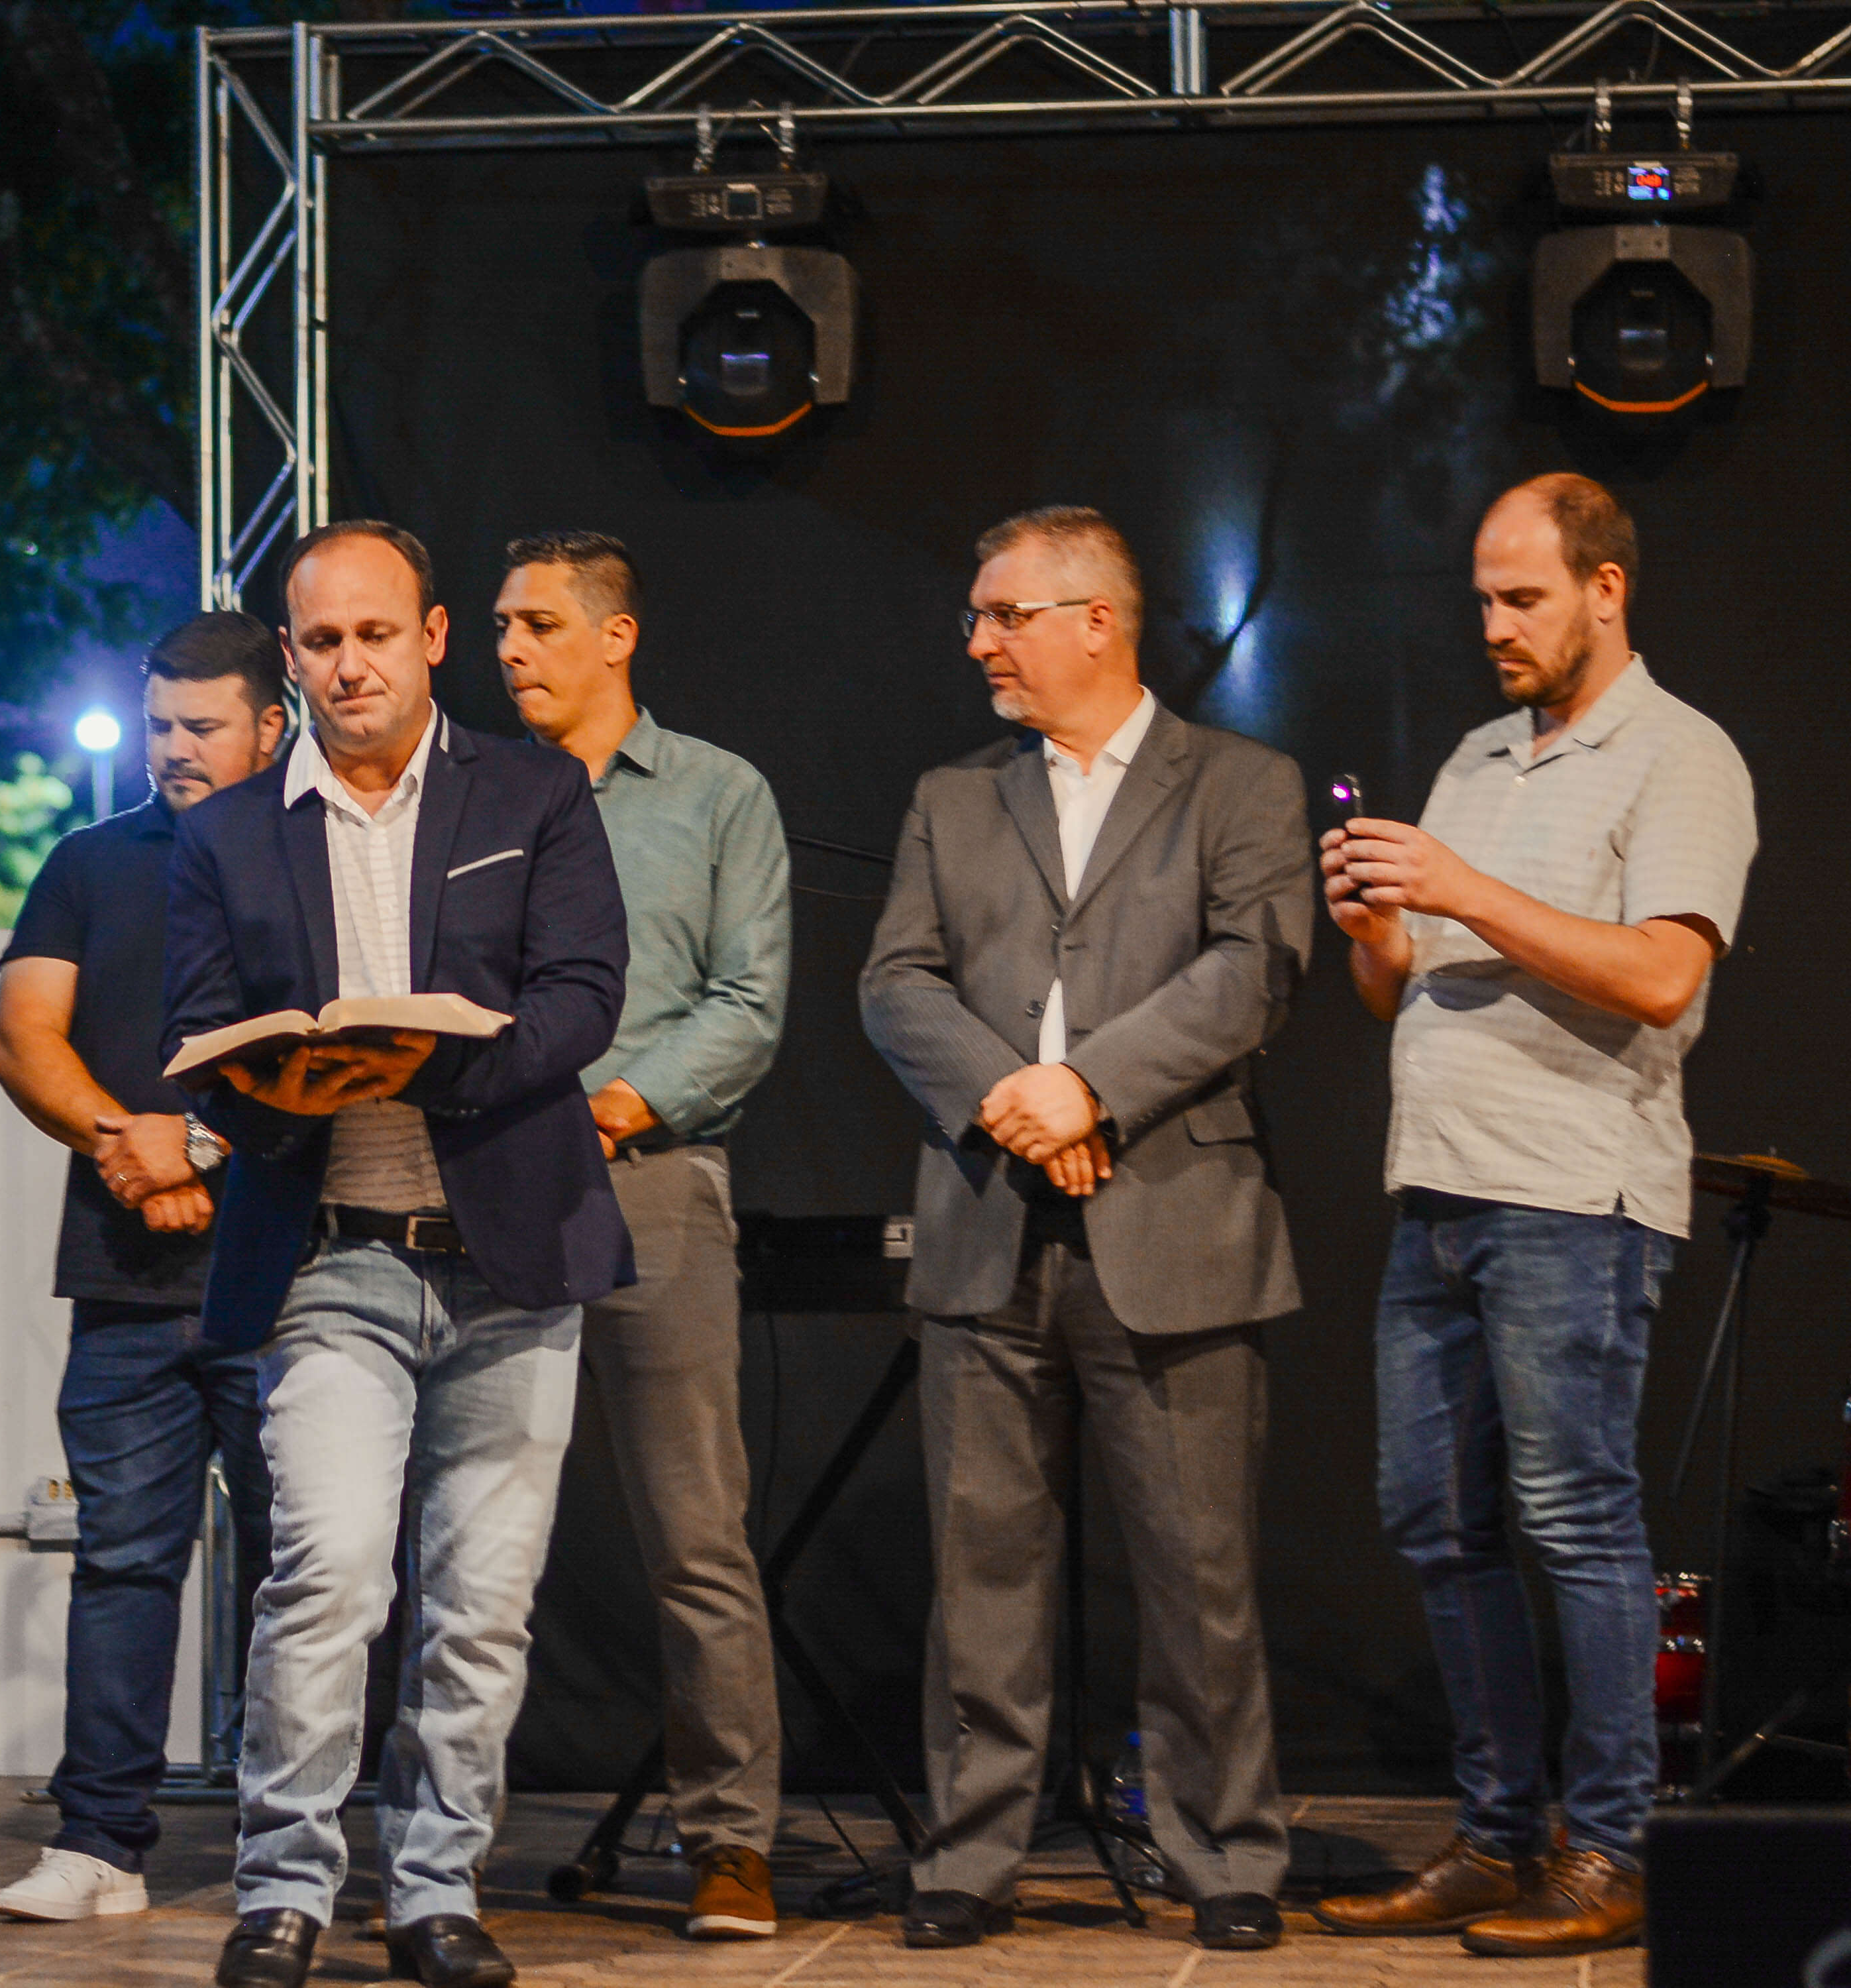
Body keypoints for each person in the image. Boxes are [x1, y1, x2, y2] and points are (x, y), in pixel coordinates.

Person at [166, 520, 631, 1988]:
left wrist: (433, 1064)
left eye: (375, 635)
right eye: (321, 642)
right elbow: (195, 1035)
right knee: (327, 1579)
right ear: (289, 657)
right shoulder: (227, 831)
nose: (349, 665)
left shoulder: (534, 792)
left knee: (480, 1611)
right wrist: (281, 1086)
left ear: (431, 638)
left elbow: (585, 994)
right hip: (327, 1259)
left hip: (511, 1256)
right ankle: (283, 1891)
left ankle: (436, 1892)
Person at [1312, 476, 1754, 1960]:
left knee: (1574, 1519)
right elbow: (1401, 992)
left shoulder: (1681, 754)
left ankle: (1611, 1847)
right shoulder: (1476, 756)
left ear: (1605, 590)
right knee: (1434, 1521)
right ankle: (1498, 1839)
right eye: (1483, 601)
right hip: (1437, 1189)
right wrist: (1380, 929)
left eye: (1523, 598)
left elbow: (1661, 978)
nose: (1494, 625)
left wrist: (1463, 885)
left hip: (1575, 1199)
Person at [860, 507, 1311, 1954]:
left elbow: (1255, 968)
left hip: (1174, 1225)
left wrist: (1090, 1085)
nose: (979, 642)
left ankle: (1224, 1856)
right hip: (989, 1227)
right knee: (979, 1574)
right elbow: (895, 981)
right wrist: (1013, 1100)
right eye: (978, 617)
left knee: (1199, 1575)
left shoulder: (1240, 784)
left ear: (1096, 621)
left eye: (1005, 615)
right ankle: (970, 1852)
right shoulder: (953, 797)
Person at [492, 531, 791, 1942]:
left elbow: (748, 1000)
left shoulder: (720, 794)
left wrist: (617, 1104)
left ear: (617, 637)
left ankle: (730, 1842)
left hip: (649, 1181)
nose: (510, 649)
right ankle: (437, 1843)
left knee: (695, 1536)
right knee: (470, 1534)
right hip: (491, 1184)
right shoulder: (475, 793)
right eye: (501, 626)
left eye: (539, 624)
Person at [0, 613, 288, 1920]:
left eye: (200, 725)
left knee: (306, 1572)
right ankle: (98, 1845)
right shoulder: (89, 861)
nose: (172, 748)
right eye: (158, 723)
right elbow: (21, 1036)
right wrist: (128, 1144)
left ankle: (296, 1848)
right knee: (121, 1563)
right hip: (122, 1280)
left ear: (271, 725)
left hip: (290, 1277)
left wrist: (202, 1145)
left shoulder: (316, 854)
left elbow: (337, 1046)